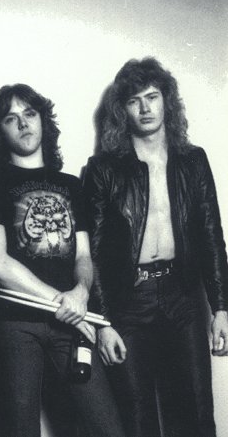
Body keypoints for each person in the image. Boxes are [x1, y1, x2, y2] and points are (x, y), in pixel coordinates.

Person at [83, 57, 228, 437]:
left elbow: (211, 235)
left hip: (183, 297)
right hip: (128, 302)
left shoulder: (193, 161)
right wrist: (103, 323)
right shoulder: (103, 169)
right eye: (134, 100)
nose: (145, 108)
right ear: (123, 110)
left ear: (167, 101)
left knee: (196, 414)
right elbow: (91, 252)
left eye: (152, 97)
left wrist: (222, 308)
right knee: (137, 419)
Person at [0, 83, 125, 437]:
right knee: (20, 429)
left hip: (71, 321)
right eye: (11, 118)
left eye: (30, 114)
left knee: (107, 427)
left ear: (43, 121)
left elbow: (84, 255)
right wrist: (63, 301)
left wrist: (81, 292)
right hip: (15, 322)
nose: (23, 123)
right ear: (0, 131)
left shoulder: (71, 185)